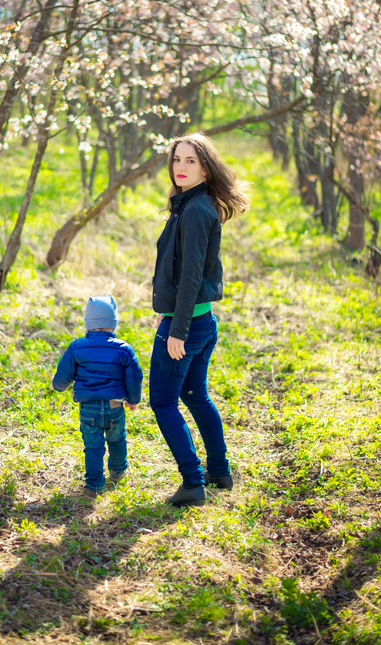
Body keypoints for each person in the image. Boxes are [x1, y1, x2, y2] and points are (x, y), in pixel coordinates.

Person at [150, 133, 250, 507]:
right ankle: (219, 472)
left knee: (163, 401)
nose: (181, 167)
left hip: (187, 327)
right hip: (201, 322)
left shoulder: (194, 210)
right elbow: (182, 271)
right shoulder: (193, 204)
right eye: (177, 159)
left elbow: (191, 275)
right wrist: (169, 315)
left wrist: (176, 329)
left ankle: (193, 483)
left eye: (190, 161)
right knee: (195, 395)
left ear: (205, 169)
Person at [51, 295, 143, 499]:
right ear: (113, 322)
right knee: (117, 438)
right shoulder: (124, 349)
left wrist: (56, 385)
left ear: (88, 322)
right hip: (115, 405)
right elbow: (134, 377)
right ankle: (118, 471)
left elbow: (64, 375)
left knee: (93, 447)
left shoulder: (77, 347)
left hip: (89, 407)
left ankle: (93, 486)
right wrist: (133, 400)